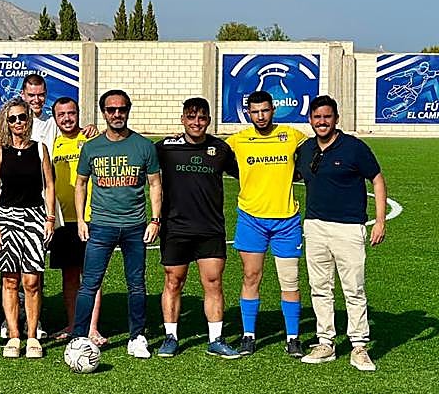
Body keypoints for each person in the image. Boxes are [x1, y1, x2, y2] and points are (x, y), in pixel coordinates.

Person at [296, 96, 386, 372]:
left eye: (327, 116)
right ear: (310, 119)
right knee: (320, 288)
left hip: (348, 228)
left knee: (354, 289)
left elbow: (377, 179)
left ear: (336, 118)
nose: (322, 122)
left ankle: (359, 346)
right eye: (317, 117)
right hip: (315, 226)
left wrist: (380, 221)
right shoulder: (306, 149)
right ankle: (325, 342)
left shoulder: (354, 147)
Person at [74, 90, 162, 359]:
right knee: (89, 284)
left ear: (128, 110)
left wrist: (155, 220)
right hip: (101, 225)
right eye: (111, 110)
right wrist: (81, 220)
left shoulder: (144, 146)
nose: (116, 114)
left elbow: (155, 184)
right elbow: (80, 184)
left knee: (136, 284)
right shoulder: (91, 147)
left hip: (135, 226)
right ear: (103, 113)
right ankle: (79, 338)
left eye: (121, 109)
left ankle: (137, 337)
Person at [154, 98, 242, 359]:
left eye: (202, 118)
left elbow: (247, 173)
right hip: (175, 227)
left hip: (210, 228)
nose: (196, 123)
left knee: (213, 282)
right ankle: (171, 337)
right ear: (182, 119)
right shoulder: (165, 148)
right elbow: (136, 154)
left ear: (209, 121)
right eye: (191, 117)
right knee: (173, 281)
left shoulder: (220, 149)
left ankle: (216, 339)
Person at [226, 90, 308, 357]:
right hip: (251, 219)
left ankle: (293, 337)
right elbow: (212, 153)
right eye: (255, 111)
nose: (260, 116)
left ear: (273, 110)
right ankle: (248, 335)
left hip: (286, 221)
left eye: (265, 110)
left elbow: (317, 151)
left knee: (290, 280)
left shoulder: (291, 136)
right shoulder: (238, 140)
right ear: (248, 113)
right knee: (251, 276)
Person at [0, 97, 56, 359]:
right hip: (7, 218)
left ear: (29, 119)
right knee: (10, 280)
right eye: (12, 119)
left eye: (22, 117)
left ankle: (33, 336)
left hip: (35, 217)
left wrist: (50, 218)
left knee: (32, 281)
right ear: (6, 122)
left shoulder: (40, 149)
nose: (18, 122)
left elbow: (49, 185)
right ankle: (14, 336)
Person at [47, 97, 105, 346]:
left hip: (90, 218)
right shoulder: (52, 143)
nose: (67, 118)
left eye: (71, 113)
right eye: (61, 115)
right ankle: (73, 325)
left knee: (91, 276)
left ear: (78, 113)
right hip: (62, 220)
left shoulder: (91, 139)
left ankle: (92, 328)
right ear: (55, 118)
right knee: (69, 276)